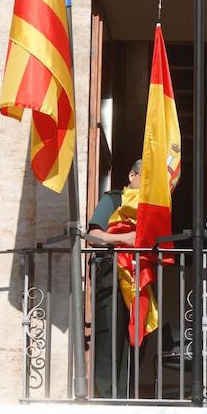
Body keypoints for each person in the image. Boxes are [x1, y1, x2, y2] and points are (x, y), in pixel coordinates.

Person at [88, 159, 142, 398]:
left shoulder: (151, 207)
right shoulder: (113, 200)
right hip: (112, 273)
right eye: (145, 178)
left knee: (136, 335)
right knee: (110, 332)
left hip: (140, 277)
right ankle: (108, 394)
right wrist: (125, 238)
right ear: (132, 175)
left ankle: (126, 394)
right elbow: (93, 235)